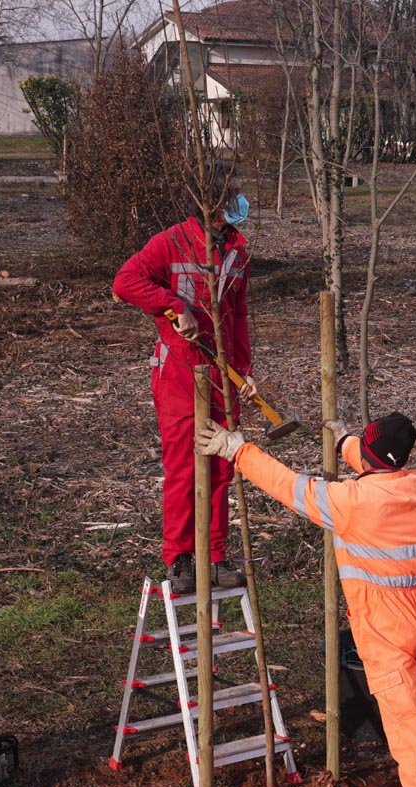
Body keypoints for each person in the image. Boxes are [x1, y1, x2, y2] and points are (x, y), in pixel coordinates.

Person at [196, 413, 416, 787]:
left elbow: (289, 486)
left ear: (369, 454)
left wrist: (238, 450)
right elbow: (375, 462)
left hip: (385, 621)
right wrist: (343, 438)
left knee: (407, 726)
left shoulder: (351, 501)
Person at [113, 163, 255, 594]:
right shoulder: (171, 242)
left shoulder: (238, 251)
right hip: (178, 369)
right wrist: (174, 305)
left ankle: (214, 555)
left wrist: (245, 371)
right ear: (212, 200)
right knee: (183, 466)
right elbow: (125, 282)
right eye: (234, 192)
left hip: (220, 371)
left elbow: (238, 315)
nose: (241, 199)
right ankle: (179, 558)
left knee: (221, 464)